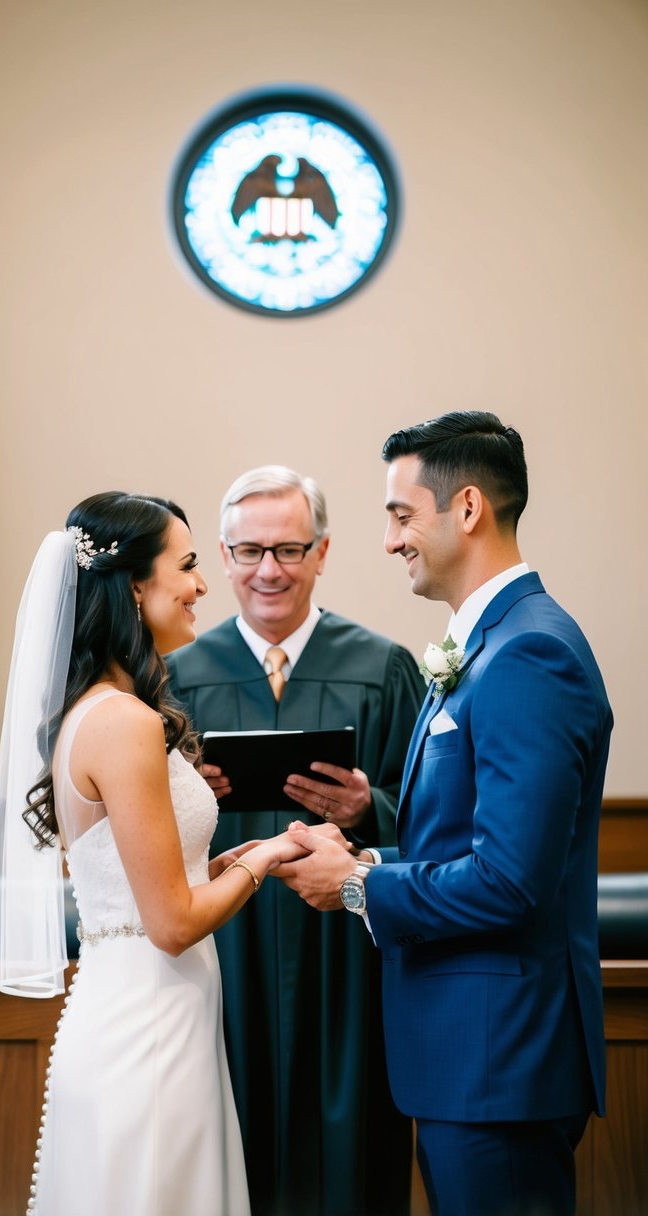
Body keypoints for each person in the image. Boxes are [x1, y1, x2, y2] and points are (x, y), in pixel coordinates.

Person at [281, 412, 612, 1216]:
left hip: (499, 1055)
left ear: (466, 509)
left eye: (401, 515)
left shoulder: (528, 652)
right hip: (472, 1054)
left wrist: (358, 885)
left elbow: (508, 882)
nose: (390, 540)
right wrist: (362, 859)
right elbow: (464, 842)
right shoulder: (488, 645)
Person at [0, 491, 306, 1216]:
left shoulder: (95, 711)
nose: (201, 586)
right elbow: (171, 924)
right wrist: (269, 857)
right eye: (187, 566)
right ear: (134, 586)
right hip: (149, 1027)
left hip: (151, 1008)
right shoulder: (124, 723)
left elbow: (148, 887)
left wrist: (225, 863)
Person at [167, 466, 424, 1216]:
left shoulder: (382, 667)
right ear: (222, 557)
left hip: (346, 949)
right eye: (248, 552)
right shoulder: (179, 676)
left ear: (321, 553)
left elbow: (439, 818)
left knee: (352, 1147)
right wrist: (188, 797)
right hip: (228, 947)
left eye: (288, 549)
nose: (268, 570)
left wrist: (367, 805)